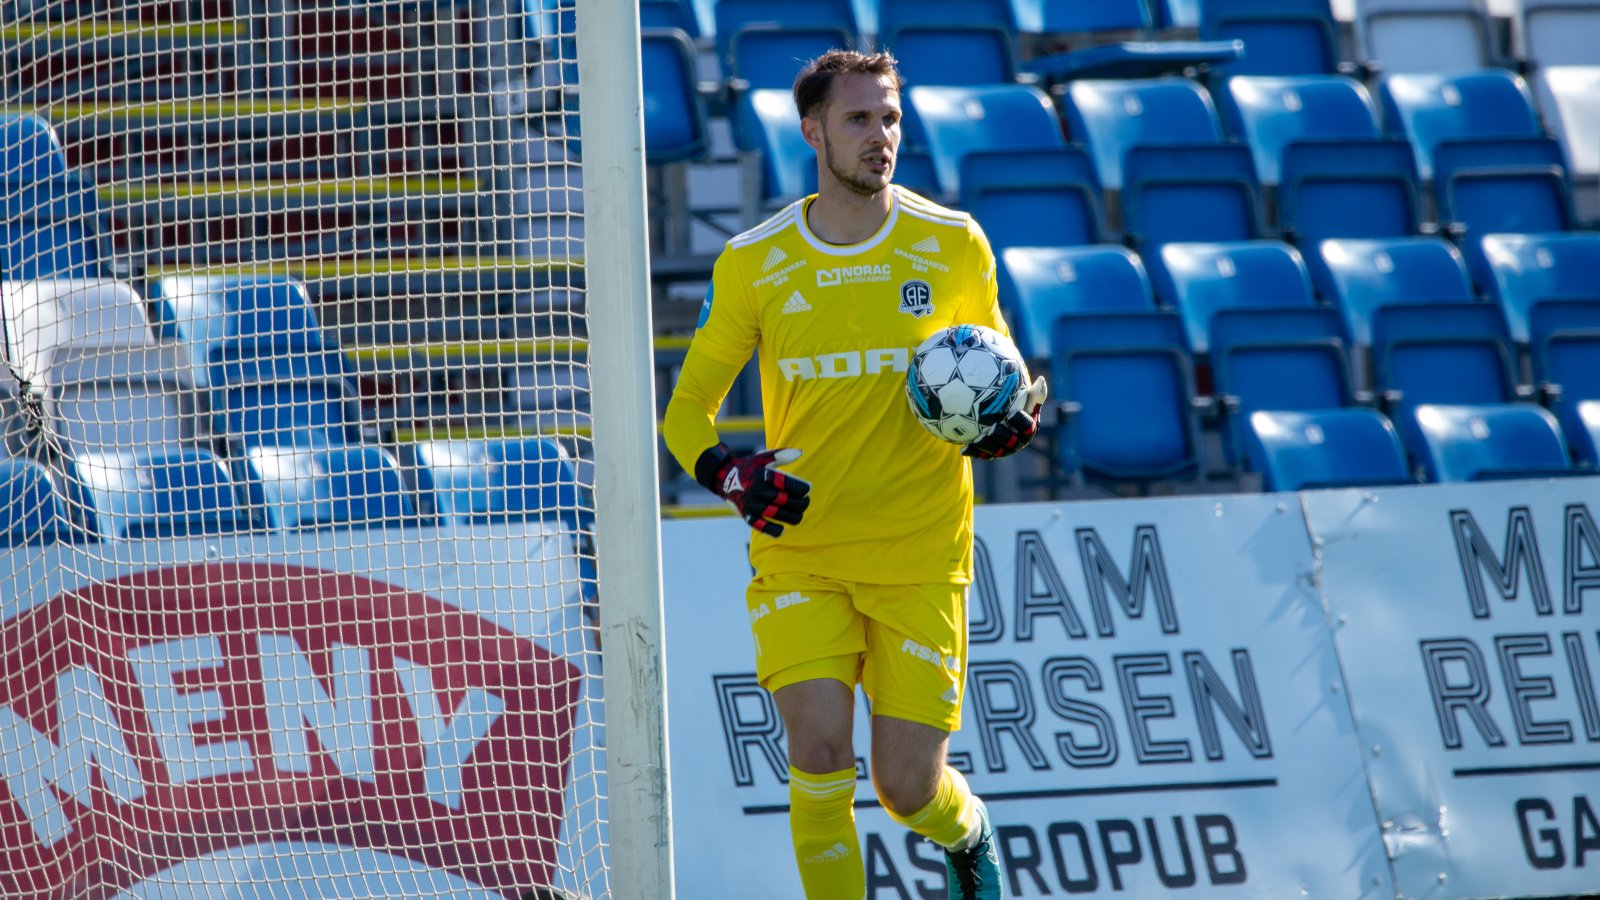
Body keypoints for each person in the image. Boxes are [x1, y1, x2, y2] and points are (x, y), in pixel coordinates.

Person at [662, 49, 1045, 900]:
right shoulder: (756, 262)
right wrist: (729, 475)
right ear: (812, 132)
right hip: (803, 553)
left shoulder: (953, 244)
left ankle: (968, 831)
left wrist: (1011, 418)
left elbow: (998, 371)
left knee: (907, 788)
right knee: (819, 752)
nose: (881, 138)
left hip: (919, 554)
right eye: (859, 120)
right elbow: (686, 415)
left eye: (891, 118)